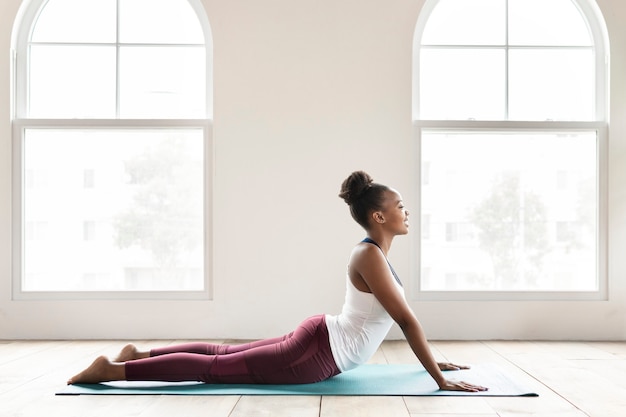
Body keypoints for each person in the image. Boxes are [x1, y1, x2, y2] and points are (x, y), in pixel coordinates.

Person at [68, 171, 487, 393]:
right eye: (400, 206)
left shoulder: (372, 253)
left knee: (221, 354)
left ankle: (139, 354)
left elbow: (391, 323)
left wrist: (432, 360)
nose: (406, 211)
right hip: (316, 355)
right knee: (216, 368)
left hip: (320, 340)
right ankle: (116, 370)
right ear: (379, 217)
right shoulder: (370, 256)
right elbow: (407, 322)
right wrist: (438, 378)